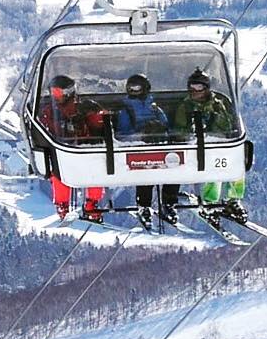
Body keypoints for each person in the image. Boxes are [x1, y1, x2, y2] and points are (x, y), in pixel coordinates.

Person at [173, 68, 246, 223]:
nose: (195, 91)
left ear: (206, 88)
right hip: (196, 145)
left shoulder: (218, 104)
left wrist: (217, 122)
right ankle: (209, 201)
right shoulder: (185, 107)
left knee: (235, 166)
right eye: (192, 87)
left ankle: (233, 199)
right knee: (213, 169)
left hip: (218, 141)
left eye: (199, 87)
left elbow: (228, 124)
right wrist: (191, 132)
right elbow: (179, 129)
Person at [39, 74, 106, 222]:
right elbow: (45, 125)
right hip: (62, 148)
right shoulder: (50, 110)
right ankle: (62, 204)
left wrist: (93, 115)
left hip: (83, 147)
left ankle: (92, 203)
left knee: (95, 171)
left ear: (67, 93)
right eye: (52, 92)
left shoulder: (82, 107)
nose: (54, 97)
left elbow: (99, 124)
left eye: (57, 93)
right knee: (59, 173)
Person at [115, 73, 179, 226]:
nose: (133, 91)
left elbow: (166, 125)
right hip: (141, 147)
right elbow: (122, 134)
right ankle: (144, 205)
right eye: (130, 88)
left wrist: (160, 129)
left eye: (137, 88)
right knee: (146, 172)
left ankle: (169, 204)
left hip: (160, 144)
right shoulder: (126, 110)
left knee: (174, 170)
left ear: (145, 89)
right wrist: (142, 134)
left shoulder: (154, 108)